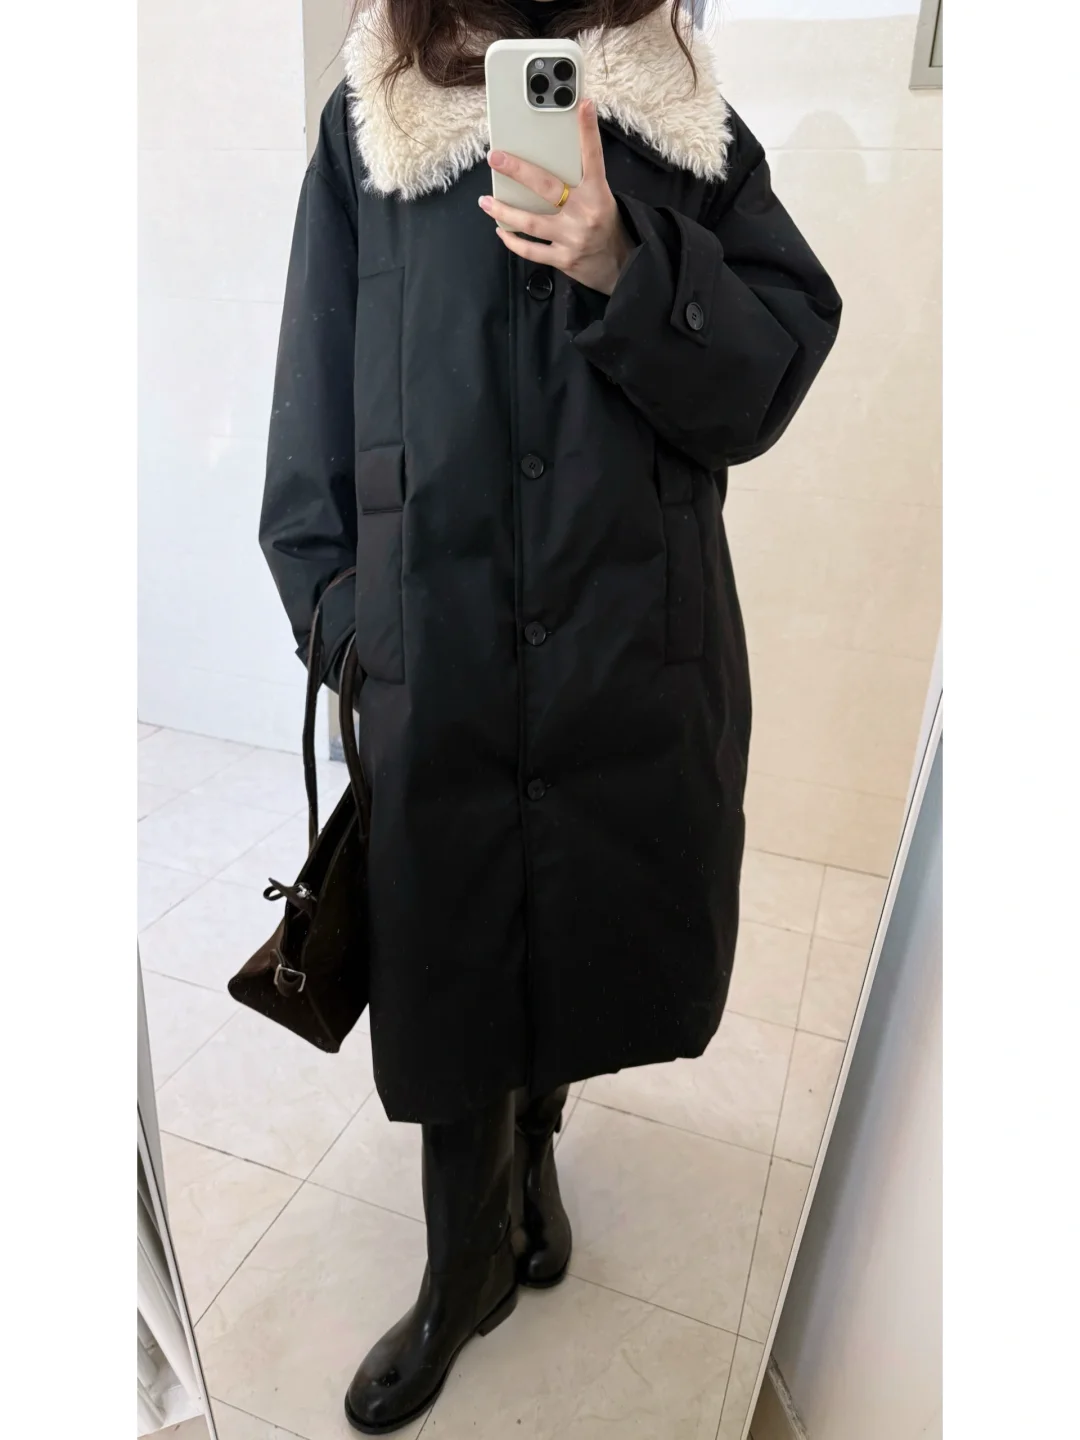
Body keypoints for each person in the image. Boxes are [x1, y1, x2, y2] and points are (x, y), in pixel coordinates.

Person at [259, 0, 841, 1431]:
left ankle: (536, 1162)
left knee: (579, 917)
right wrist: (340, 614)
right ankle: (462, 1266)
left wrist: (626, 259)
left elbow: (770, 371)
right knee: (452, 949)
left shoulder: (673, 117)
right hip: (438, 641)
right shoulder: (373, 124)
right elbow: (313, 384)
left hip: (624, 636)